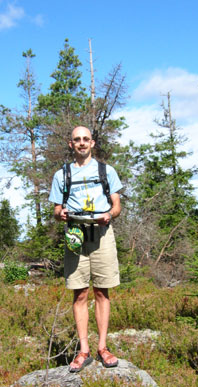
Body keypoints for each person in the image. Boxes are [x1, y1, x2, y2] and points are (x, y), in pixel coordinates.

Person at [49, 126, 123, 372]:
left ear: (92, 143)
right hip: (75, 236)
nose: (81, 143)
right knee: (79, 293)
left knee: (102, 292)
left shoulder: (106, 171)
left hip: (102, 234)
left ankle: (103, 348)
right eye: (77, 140)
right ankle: (84, 351)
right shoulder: (62, 175)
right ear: (71, 144)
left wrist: (108, 215)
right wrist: (62, 214)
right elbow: (57, 211)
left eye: (85, 139)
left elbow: (116, 207)